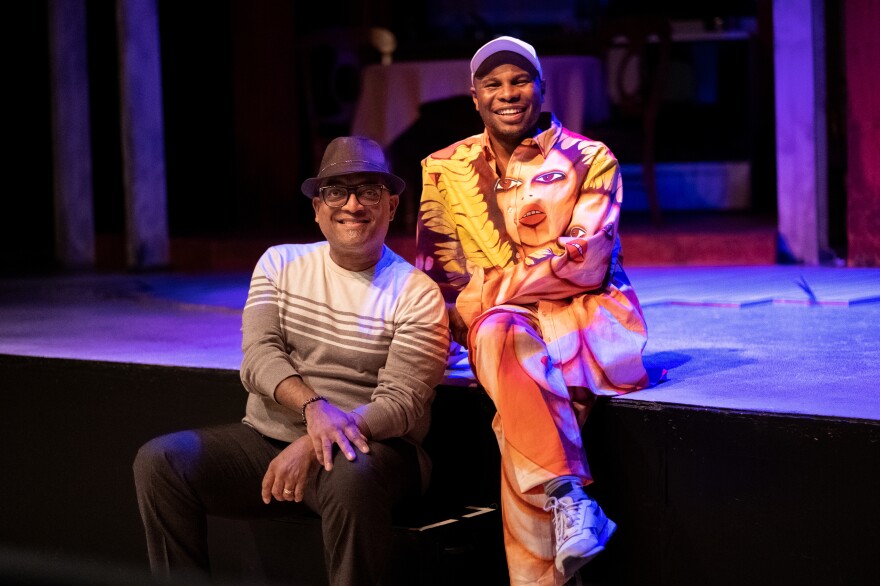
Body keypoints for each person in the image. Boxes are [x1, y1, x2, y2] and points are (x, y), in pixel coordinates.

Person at [134, 136, 450, 585]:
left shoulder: (416, 292)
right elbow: (259, 356)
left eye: (369, 191)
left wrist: (312, 442)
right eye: (337, 192)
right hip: (271, 438)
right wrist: (312, 408)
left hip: (375, 448)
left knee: (350, 478)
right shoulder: (279, 263)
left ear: (392, 205)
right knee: (161, 463)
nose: (353, 205)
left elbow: (401, 403)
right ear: (317, 208)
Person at [415, 36, 649, 585]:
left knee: (510, 365)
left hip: (585, 324)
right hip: (501, 334)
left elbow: (585, 261)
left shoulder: (591, 159)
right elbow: (440, 280)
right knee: (503, 338)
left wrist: (485, 293)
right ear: (474, 96)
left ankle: (561, 519)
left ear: (542, 88)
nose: (508, 93)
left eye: (520, 80)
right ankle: (569, 500)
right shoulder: (443, 168)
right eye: (493, 84)